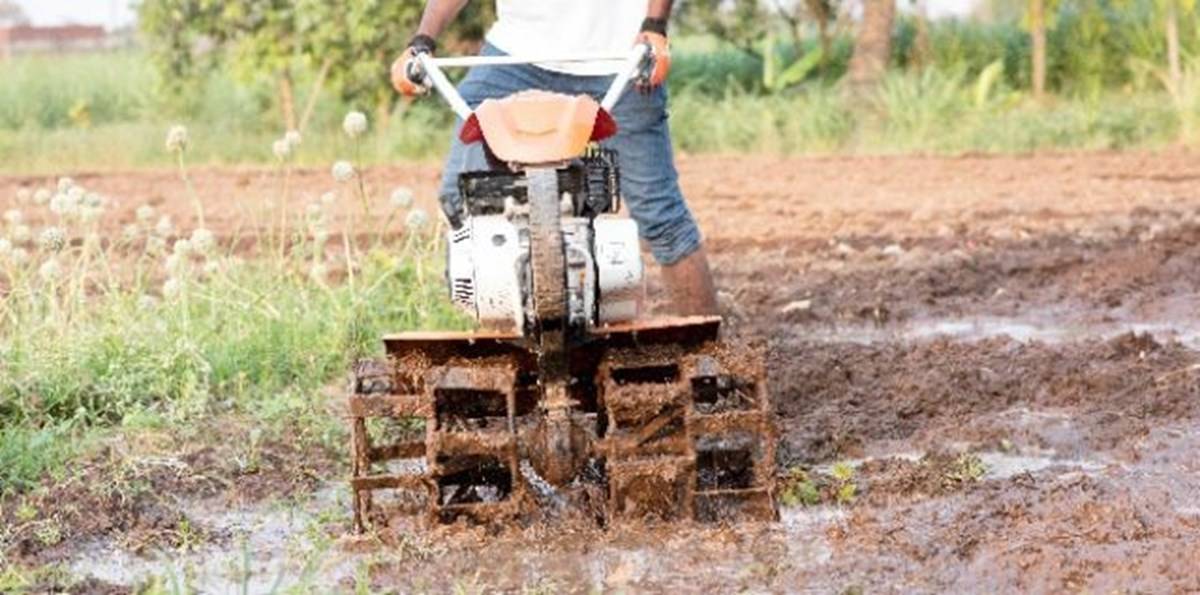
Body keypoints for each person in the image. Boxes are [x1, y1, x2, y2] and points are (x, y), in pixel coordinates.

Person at [391, 0, 718, 316]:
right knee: (460, 193)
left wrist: (655, 26)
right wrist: (422, 40)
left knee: (661, 217)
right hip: (515, 58)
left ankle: (710, 354)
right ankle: (500, 331)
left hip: (621, 60)